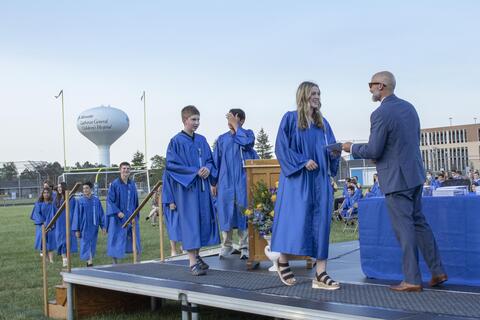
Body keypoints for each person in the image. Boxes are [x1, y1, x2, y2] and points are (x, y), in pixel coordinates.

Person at [342, 71, 447, 292]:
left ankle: (411, 279)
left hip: (396, 180)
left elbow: (374, 149)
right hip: (415, 175)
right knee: (419, 224)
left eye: (371, 84)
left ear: (381, 86)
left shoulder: (380, 113)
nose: (369, 89)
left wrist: (351, 147)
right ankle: (437, 271)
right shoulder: (409, 107)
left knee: (405, 229)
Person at [271, 81, 341, 290]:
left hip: (320, 179)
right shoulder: (290, 119)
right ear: (303, 95)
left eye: (319, 93)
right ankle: (282, 260)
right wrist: (302, 161)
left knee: (321, 224)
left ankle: (321, 273)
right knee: (295, 220)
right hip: (298, 179)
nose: (317, 97)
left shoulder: (323, 123)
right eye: (313, 93)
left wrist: (335, 153)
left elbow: (330, 148)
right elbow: (281, 148)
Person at [165, 105, 220, 275]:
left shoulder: (202, 140)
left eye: (198, 119)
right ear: (185, 120)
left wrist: (208, 169)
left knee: (202, 221)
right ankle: (191, 263)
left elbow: (210, 161)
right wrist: (194, 171)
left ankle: (197, 256)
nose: (196, 123)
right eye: (193, 119)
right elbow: (171, 165)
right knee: (190, 223)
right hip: (187, 189)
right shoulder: (176, 141)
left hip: (202, 188)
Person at [211, 108, 259, 259]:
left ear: (242, 120)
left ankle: (244, 246)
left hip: (242, 181)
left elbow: (247, 143)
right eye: (228, 118)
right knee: (225, 212)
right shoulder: (221, 139)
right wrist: (213, 182)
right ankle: (227, 245)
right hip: (225, 182)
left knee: (243, 212)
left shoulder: (248, 134)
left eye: (233, 118)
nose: (229, 121)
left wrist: (237, 126)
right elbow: (216, 161)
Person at [106, 162, 141, 263]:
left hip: (131, 216)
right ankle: (114, 263)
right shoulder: (115, 184)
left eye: (128, 169)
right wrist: (117, 212)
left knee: (135, 238)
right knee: (116, 238)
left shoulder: (132, 184)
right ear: (120, 170)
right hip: (118, 217)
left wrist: (136, 214)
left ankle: (137, 262)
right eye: (124, 168)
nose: (126, 170)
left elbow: (135, 201)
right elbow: (110, 200)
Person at [72, 182, 106, 267]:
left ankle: (89, 261)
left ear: (90, 189)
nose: (85, 190)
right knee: (86, 243)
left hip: (94, 226)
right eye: (83, 189)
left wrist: (103, 226)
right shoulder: (80, 201)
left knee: (92, 244)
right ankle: (90, 262)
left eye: (86, 188)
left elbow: (101, 214)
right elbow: (77, 215)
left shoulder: (96, 200)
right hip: (84, 226)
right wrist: (76, 229)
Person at [54, 182, 78, 267]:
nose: (59, 188)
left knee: (68, 240)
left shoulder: (71, 198)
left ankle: (67, 258)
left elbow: (74, 210)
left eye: (61, 187)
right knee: (61, 240)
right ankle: (64, 259)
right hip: (59, 223)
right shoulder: (56, 198)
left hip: (69, 222)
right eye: (58, 187)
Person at [30, 187, 57, 263]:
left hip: (51, 226)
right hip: (41, 226)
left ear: (50, 194)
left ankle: (51, 260)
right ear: (42, 194)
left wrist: (49, 223)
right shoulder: (38, 204)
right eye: (44, 193)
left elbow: (55, 214)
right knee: (43, 242)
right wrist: (43, 223)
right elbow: (37, 214)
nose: (46, 194)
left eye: (47, 193)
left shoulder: (52, 204)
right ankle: (46, 259)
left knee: (50, 242)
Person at [161, 171, 182, 256]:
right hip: (171, 203)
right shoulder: (167, 170)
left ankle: (183, 247)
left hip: (182, 201)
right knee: (172, 227)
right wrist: (170, 201)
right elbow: (166, 187)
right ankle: (173, 250)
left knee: (183, 226)